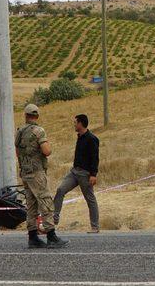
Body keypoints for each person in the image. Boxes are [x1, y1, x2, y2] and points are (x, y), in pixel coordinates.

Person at [15, 104, 68, 248]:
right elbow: (46, 151)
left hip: (25, 172)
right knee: (45, 202)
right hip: (37, 172)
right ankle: (51, 235)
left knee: (31, 205)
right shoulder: (39, 131)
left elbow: (17, 152)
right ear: (37, 116)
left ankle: (32, 237)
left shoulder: (19, 131)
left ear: (25, 115)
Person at [53, 114, 100, 233]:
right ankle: (53, 219)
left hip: (85, 174)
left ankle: (95, 226)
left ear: (80, 123)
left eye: (75, 122)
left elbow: (95, 158)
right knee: (60, 190)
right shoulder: (79, 137)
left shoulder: (92, 139)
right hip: (74, 172)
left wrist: (93, 174)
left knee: (90, 199)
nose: (74, 125)